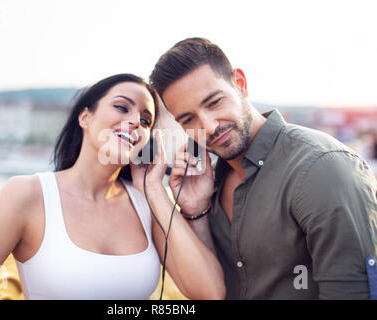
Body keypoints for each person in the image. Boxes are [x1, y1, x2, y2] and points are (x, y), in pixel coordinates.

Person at [0, 73, 225, 300]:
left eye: (145, 121)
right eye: (122, 107)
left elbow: (209, 292)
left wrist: (155, 190)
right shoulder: (26, 194)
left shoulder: (146, 203)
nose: (135, 122)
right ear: (85, 117)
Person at [149, 38, 377, 299]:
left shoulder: (322, 168)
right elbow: (211, 291)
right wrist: (197, 212)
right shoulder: (208, 180)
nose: (209, 126)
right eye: (189, 119)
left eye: (214, 103)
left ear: (240, 84)